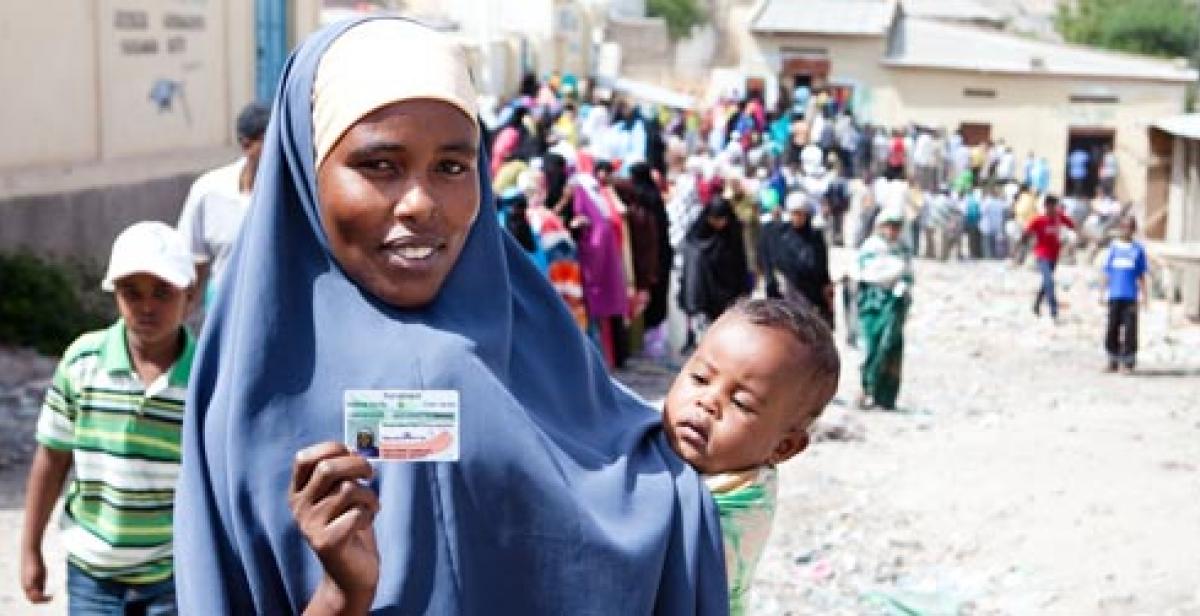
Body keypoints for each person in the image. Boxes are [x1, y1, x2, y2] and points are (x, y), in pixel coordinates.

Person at [173, 19, 726, 614]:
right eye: (380, 166)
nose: (421, 205)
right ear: (307, 171)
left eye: (453, 167)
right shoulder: (241, 381)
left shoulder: (527, 331)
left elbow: (620, 498)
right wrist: (339, 596)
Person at [21, 221, 196, 613]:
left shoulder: (205, 377)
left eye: (162, 293)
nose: (147, 306)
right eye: (132, 293)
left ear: (190, 295)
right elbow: (51, 458)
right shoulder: (83, 363)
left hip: (171, 571)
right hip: (93, 572)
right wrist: (30, 547)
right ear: (115, 296)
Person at [662, 298, 839, 615]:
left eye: (741, 403)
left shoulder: (732, 511)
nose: (708, 401)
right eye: (700, 378)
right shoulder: (715, 454)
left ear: (783, 448)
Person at [176, 102, 270, 317]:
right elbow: (193, 261)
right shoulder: (209, 192)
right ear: (246, 145)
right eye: (270, 141)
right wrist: (181, 318)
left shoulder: (296, 191)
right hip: (224, 308)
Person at [855, 207, 913, 410]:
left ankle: (886, 396)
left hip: (894, 306)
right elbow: (869, 274)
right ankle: (868, 389)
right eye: (889, 226)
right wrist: (894, 272)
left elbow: (907, 274)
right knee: (873, 347)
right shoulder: (871, 248)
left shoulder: (902, 249)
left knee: (892, 349)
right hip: (874, 305)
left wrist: (901, 283)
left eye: (896, 227)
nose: (892, 231)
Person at [680, 196, 750, 347]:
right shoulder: (696, 235)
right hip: (704, 294)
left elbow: (740, 261)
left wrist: (744, 288)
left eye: (721, 219)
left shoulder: (733, 232)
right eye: (714, 219)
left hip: (728, 291)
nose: (718, 223)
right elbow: (691, 268)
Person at [761, 192, 834, 326]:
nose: (797, 218)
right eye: (794, 213)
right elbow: (772, 257)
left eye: (801, 213)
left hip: (811, 294)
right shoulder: (781, 234)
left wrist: (827, 290)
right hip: (788, 291)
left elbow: (822, 265)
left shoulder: (815, 237)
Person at [1101, 216, 1148, 373]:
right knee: (1112, 327)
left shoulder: (1138, 250)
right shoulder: (1114, 248)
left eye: (1129, 227)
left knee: (1130, 330)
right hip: (1115, 295)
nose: (1126, 230)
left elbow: (1141, 274)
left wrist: (1144, 296)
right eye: (1123, 227)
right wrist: (1102, 292)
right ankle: (1112, 359)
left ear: (1133, 230)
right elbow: (1107, 272)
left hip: (1130, 296)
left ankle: (1128, 361)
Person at [1019, 194, 1075, 321]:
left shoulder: (1059, 217)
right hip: (1042, 254)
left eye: (1055, 206)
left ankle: (1036, 305)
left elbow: (1072, 225)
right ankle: (1053, 311)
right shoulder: (1039, 220)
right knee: (1050, 282)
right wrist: (1021, 252)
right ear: (1046, 206)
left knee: (1046, 283)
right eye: (1051, 206)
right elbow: (1026, 234)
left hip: (1054, 255)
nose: (1054, 209)